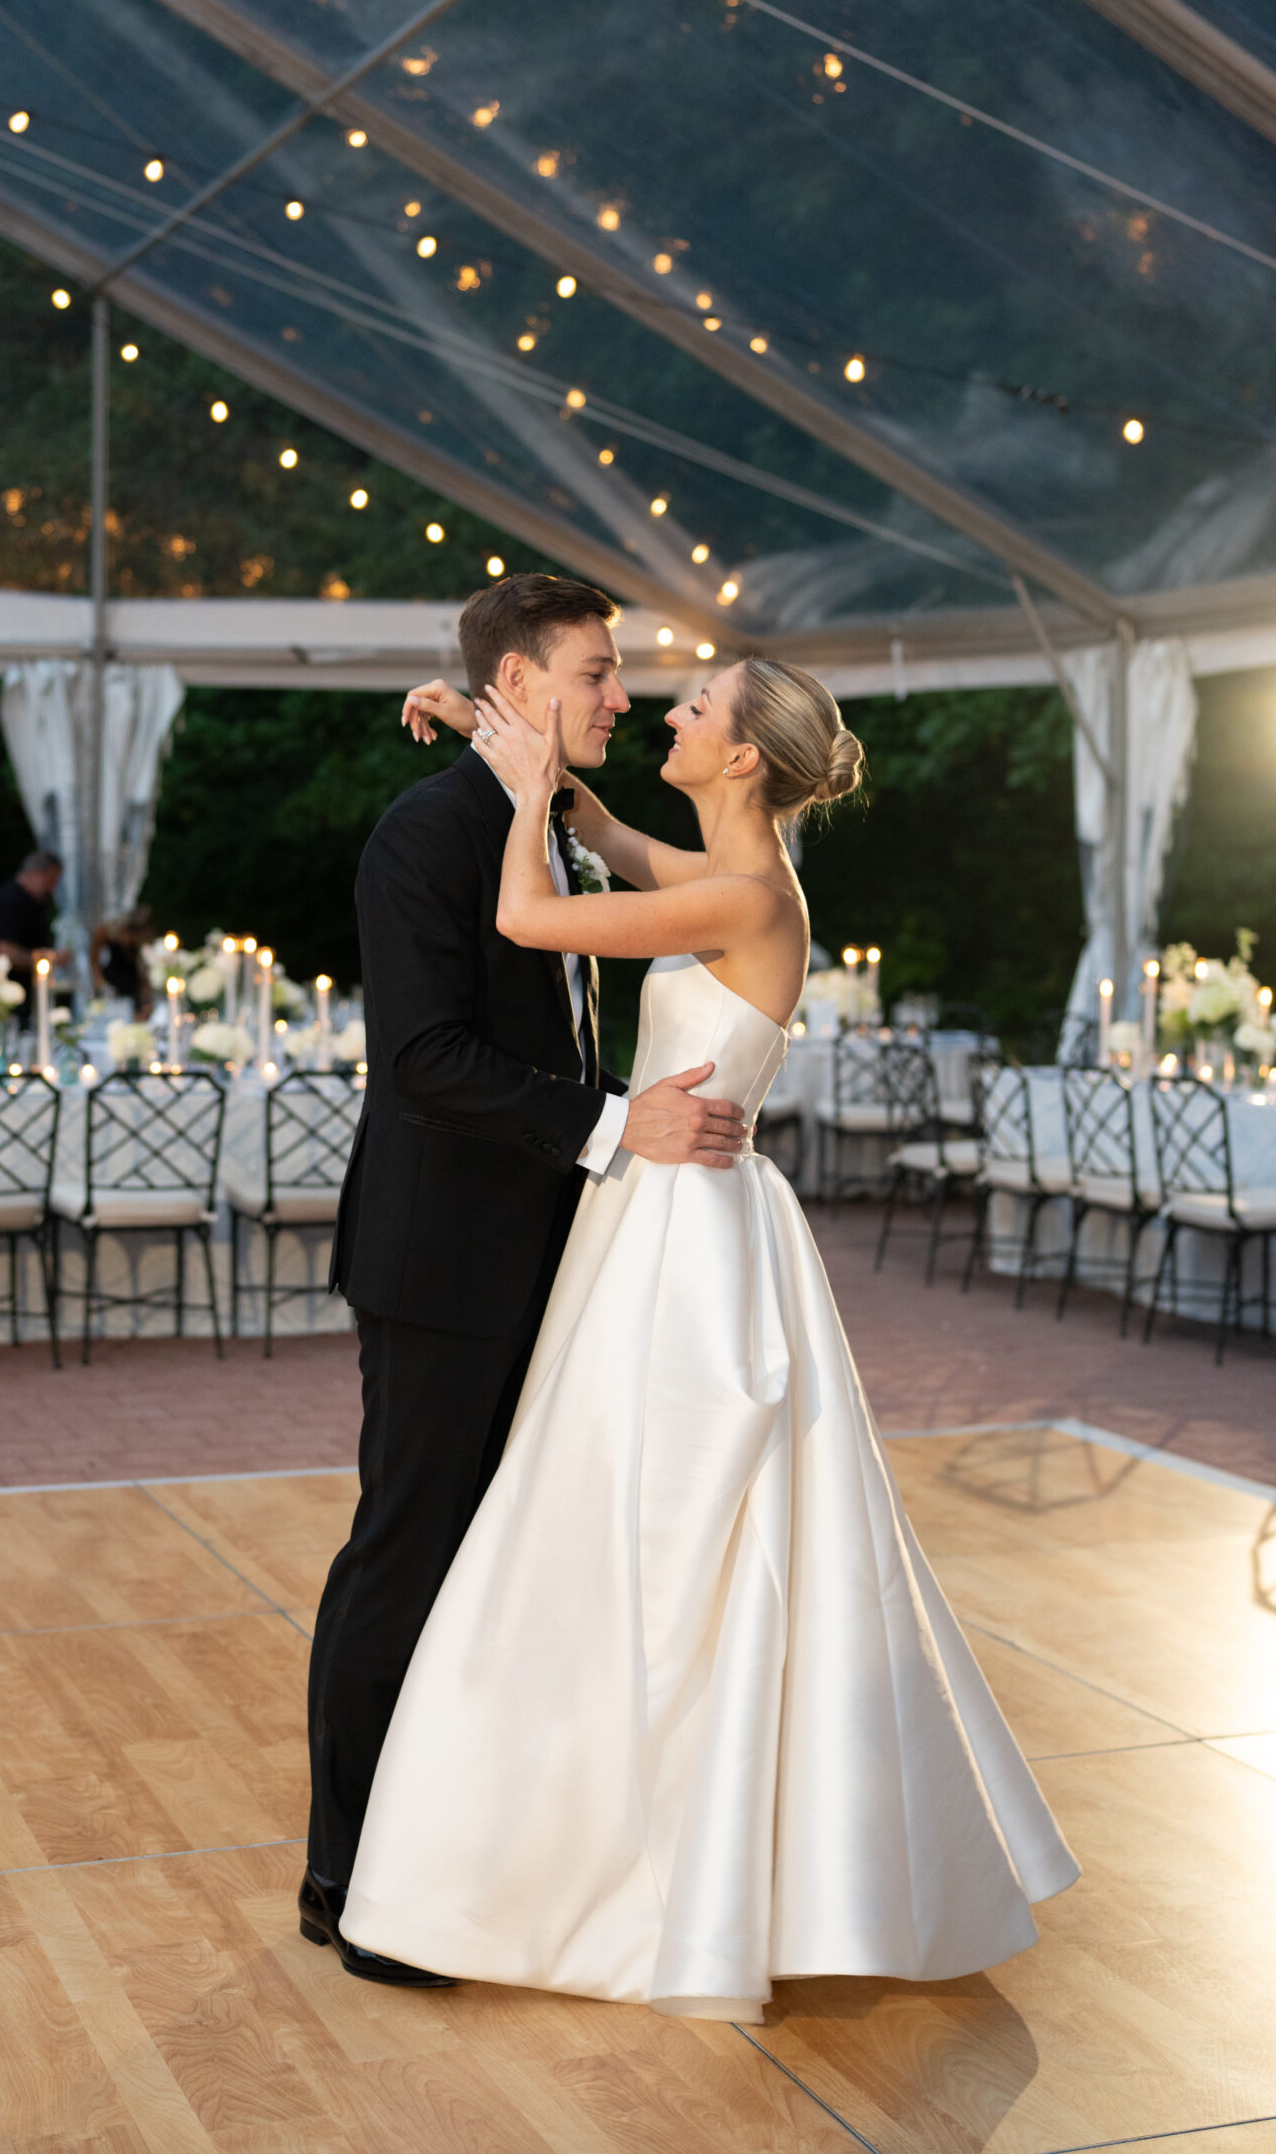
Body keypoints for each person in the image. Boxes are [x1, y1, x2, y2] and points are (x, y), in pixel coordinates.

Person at [337, 653, 1079, 2020]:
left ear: (741, 756)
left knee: (658, 1526)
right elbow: (600, 828)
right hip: (659, 1213)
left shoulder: (746, 897)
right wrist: (482, 718)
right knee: (634, 1519)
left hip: (689, 1236)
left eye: (694, 706)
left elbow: (527, 911)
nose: (663, 713)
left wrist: (518, 798)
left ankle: (652, 1855)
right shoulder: (717, 869)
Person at [300, 575, 754, 1989]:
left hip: (553, 1258)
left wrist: (490, 734)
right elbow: (423, 1058)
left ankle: (452, 1865)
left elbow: (551, 1013)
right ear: (523, 682)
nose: (622, 694)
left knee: (498, 1566)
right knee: (407, 1553)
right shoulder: (425, 834)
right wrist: (620, 1124)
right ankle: (346, 1880)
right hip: (441, 1261)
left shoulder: (550, 819)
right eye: (598, 672)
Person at [0, 850, 66, 992]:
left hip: (26, 988)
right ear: (35, 874)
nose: (52, 888)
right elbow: (6, 951)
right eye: (50, 881)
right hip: (5, 990)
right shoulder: (10, 901)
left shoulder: (33, 902)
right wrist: (48, 959)